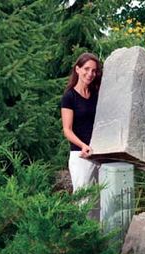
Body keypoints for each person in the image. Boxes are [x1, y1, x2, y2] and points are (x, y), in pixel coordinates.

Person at [61, 52, 102, 192]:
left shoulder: (96, 95)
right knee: (83, 204)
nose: (90, 73)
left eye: (94, 71)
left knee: (99, 204)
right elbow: (67, 129)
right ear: (77, 69)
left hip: (100, 154)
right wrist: (83, 146)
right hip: (80, 156)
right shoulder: (69, 97)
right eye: (86, 69)